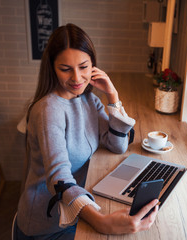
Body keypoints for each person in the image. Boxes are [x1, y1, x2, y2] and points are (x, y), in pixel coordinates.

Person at [14, 23, 159, 239]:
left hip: (77, 208)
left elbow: (117, 145)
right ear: (52, 68)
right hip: (47, 223)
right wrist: (102, 223)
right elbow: (58, 177)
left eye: (83, 67)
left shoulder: (89, 100)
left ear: (93, 65)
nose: (76, 78)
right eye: (65, 69)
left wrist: (112, 95)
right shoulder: (48, 110)